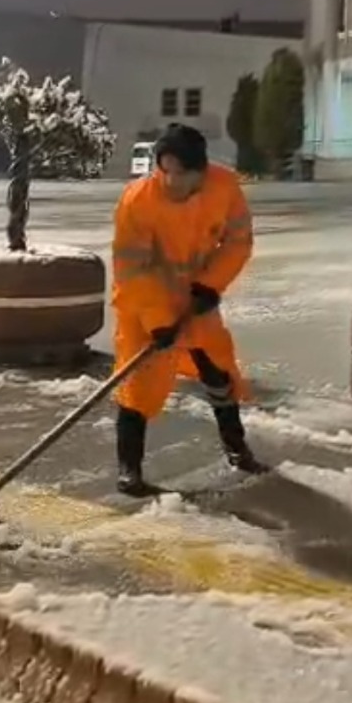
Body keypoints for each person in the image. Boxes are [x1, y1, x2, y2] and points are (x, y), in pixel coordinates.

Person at [110, 123, 263, 497]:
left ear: (202, 170)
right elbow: (132, 269)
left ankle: (237, 449)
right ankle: (129, 470)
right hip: (144, 301)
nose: (172, 180)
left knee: (217, 370)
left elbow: (238, 241)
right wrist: (159, 320)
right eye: (165, 170)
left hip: (196, 296)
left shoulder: (224, 188)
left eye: (182, 172)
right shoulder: (138, 200)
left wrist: (211, 284)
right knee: (138, 384)